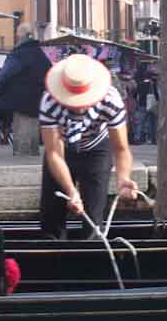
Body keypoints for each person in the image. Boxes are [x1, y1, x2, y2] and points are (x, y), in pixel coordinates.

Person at [39, 54, 138, 240]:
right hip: (63, 150)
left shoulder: (111, 100)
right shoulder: (49, 102)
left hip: (97, 149)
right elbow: (54, 154)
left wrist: (123, 178)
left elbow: (121, 148)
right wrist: (71, 191)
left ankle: (92, 251)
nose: (78, 107)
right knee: (51, 212)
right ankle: (52, 251)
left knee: (94, 213)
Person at [0, 23, 51, 156]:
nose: (16, 37)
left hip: (18, 100)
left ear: (21, 35)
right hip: (37, 102)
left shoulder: (19, 53)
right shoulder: (42, 55)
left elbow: (5, 73)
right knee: (2, 109)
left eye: (17, 34)